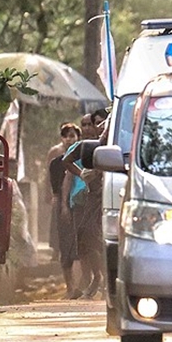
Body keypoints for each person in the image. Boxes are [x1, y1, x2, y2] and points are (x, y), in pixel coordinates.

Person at [62, 110, 108, 299]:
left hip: (115, 196)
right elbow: (67, 161)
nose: (98, 127)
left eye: (100, 123)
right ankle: (97, 276)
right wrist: (82, 174)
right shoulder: (87, 146)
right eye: (92, 123)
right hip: (93, 198)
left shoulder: (114, 142)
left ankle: (106, 279)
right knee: (86, 235)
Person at [48, 123, 81, 297]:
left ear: (78, 138)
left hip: (81, 206)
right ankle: (70, 287)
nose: (70, 139)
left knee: (79, 247)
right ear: (62, 139)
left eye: (73, 136)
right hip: (63, 206)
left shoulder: (83, 160)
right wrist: (61, 206)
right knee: (65, 247)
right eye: (67, 136)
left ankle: (79, 286)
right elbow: (55, 190)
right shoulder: (56, 163)